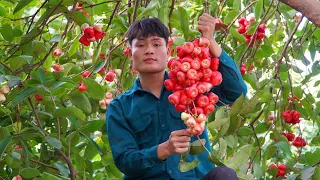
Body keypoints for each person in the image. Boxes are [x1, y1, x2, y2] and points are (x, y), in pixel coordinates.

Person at [106, 13, 247, 180]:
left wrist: (211, 43)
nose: (149, 50)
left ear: (168, 51)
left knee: (224, 174)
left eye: (157, 44)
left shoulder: (193, 86)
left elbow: (237, 94)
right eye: (141, 45)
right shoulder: (120, 107)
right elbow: (124, 161)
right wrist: (163, 150)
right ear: (131, 54)